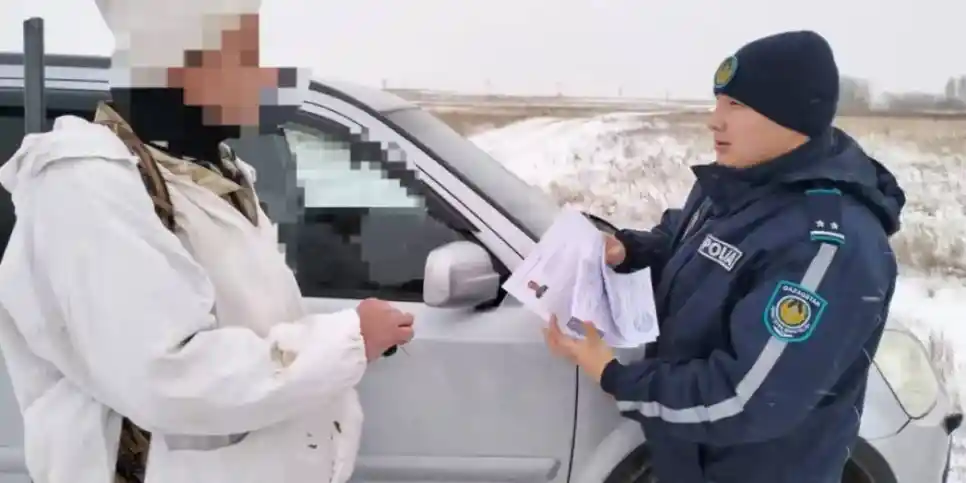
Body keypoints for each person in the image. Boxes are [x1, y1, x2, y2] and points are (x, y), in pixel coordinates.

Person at [0, 1, 415, 483]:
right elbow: (168, 378)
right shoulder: (88, 186)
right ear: (178, 68)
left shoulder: (204, 175)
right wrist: (348, 339)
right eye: (242, 58)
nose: (262, 78)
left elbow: (253, 323)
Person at [544, 30, 906, 483]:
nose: (714, 121)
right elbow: (681, 243)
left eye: (735, 105)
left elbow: (745, 400)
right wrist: (628, 250)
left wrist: (612, 374)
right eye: (717, 102)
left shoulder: (826, 244)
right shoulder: (734, 185)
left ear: (790, 115)